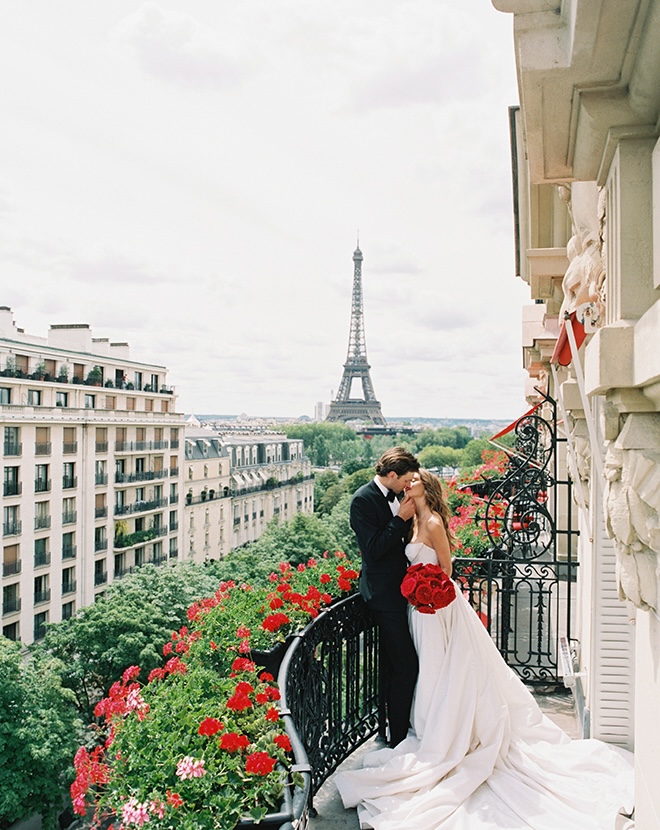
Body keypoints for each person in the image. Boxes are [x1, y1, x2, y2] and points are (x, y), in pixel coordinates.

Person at [335, 469, 634, 830]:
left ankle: (444, 732)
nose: (405, 488)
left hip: (437, 608)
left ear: (423, 488)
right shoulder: (412, 519)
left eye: (411, 483)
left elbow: (445, 568)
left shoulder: (430, 522)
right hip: (418, 608)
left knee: (442, 667)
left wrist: (426, 587)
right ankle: (432, 727)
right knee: (431, 667)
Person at [350, 447, 420, 748]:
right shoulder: (362, 500)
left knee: (395, 664)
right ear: (391, 475)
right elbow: (374, 549)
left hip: (402, 591)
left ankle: (393, 728)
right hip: (383, 595)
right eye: (405, 480)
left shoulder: (397, 496)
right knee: (405, 664)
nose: (408, 486)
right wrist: (401, 519)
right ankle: (399, 734)